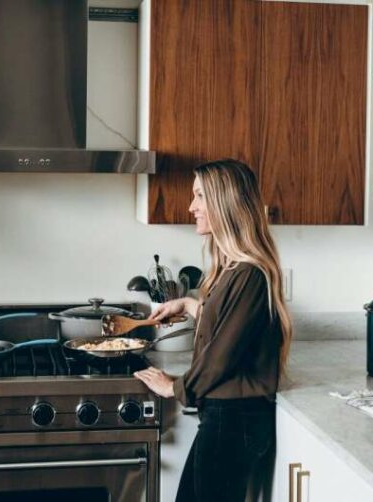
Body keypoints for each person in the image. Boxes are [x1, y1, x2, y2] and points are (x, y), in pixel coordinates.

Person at [134, 159, 292, 502]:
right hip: (226, 420)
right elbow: (229, 323)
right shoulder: (234, 270)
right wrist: (189, 306)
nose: (192, 207)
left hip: (234, 422)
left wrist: (176, 387)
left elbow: (221, 355)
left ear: (225, 203)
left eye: (200, 196)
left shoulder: (250, 274)